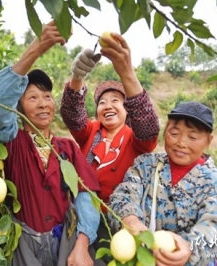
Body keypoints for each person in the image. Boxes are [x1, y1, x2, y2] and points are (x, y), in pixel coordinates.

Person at [0, 21, 103, 266]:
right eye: (32, 97)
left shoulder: (66, 149)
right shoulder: (12, 141)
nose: (42, 103)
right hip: (24, 247)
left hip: (64, 244)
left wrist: (82, 244)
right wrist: (37, 48)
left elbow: (86, 196)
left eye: (47, 97)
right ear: (19, 108)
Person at [59, 32, 160, 254]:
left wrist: (127, 73)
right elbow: (72, 114)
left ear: (128, 109)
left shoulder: (135, 139)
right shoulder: (91, 130)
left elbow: (149, 126)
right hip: (80, 215)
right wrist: (78, 77)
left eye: (116, 101)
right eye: (102, 102)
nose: (108, 105)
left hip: (119, 222)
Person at [108, 101, 217, 266]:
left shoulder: (215, 181)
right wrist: (131, 220)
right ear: (165, 131)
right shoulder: (146, 165)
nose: (181, 142)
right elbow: (123, 196)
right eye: (174, 133)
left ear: (208, 141)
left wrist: (189, 248)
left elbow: (215, 225)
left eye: (192, 137)